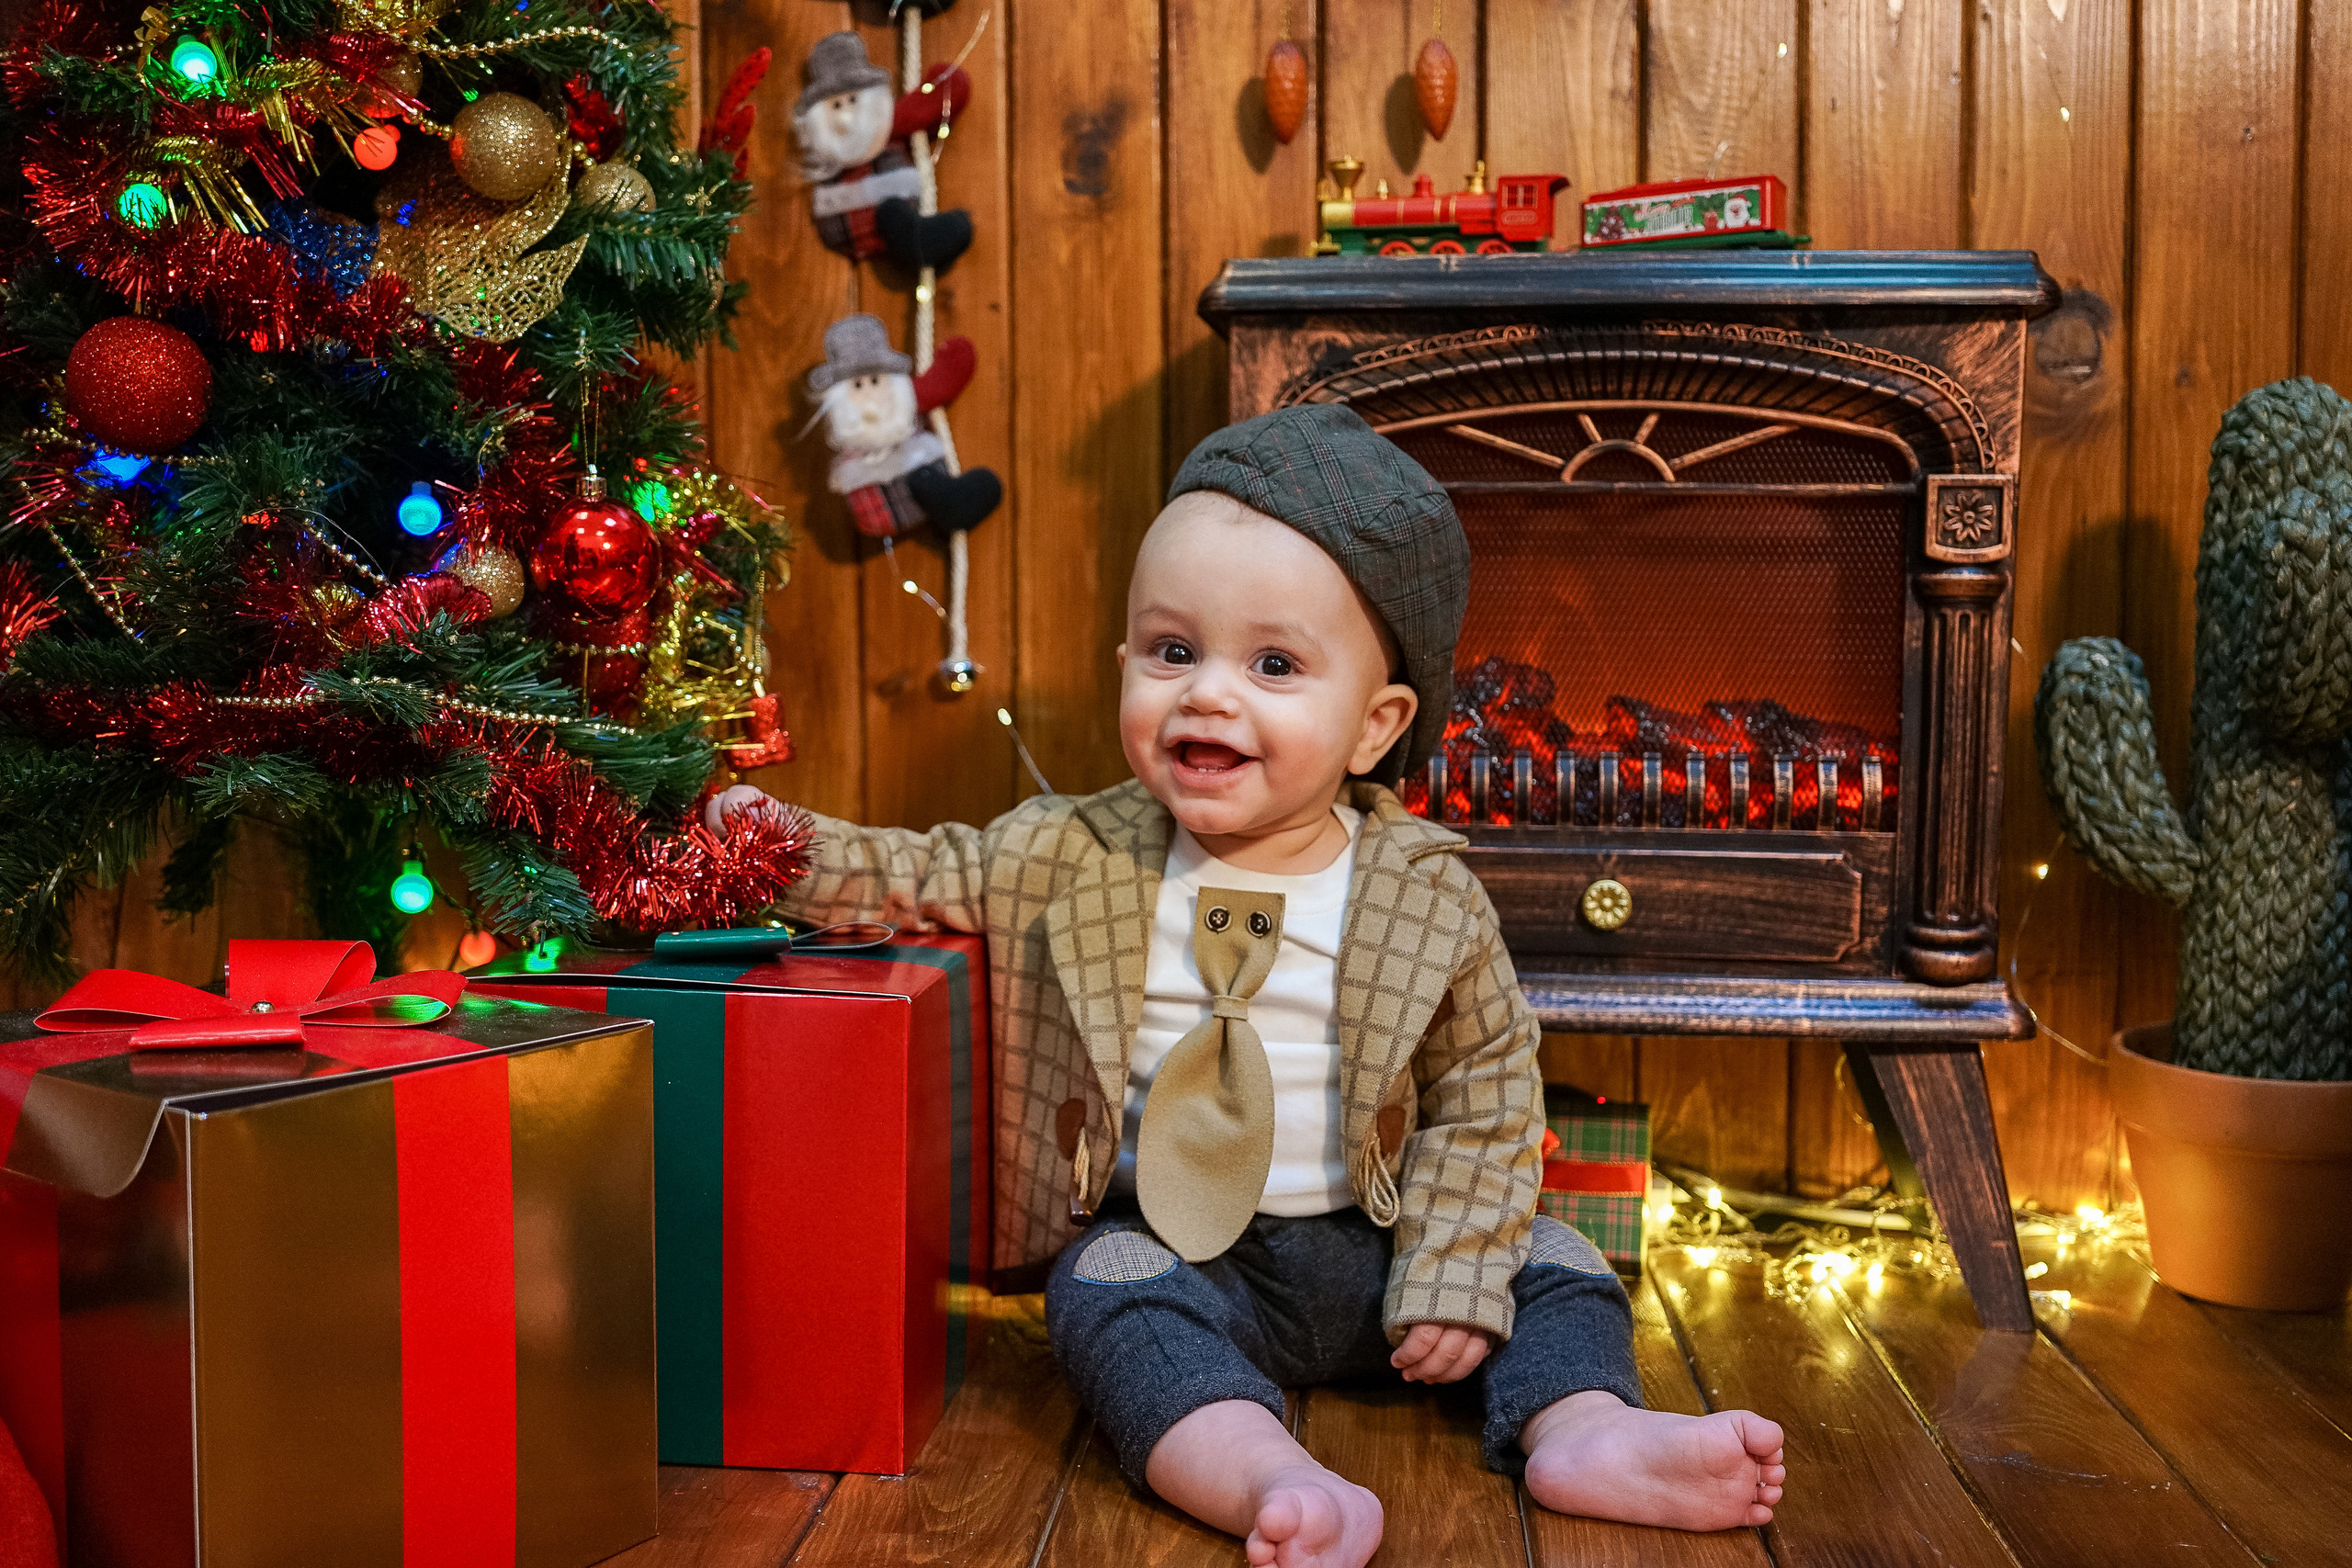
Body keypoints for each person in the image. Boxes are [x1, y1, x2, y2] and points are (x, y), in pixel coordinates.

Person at [727, 406, 1785, 1568]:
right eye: (1172, 651)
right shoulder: (1070, 852)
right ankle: (1254, 1462)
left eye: (1272, 665)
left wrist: (1452, 1269)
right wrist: (769, 839)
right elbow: (922, 873)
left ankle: (1583, 1428)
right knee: (1099, 1290)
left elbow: (1487, 1090)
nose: (1208, 695)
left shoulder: (1422, 895)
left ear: (1375, 728)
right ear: (1125, 663)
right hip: (1192, 1256)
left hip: (1383, 1245)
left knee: (1556, 1254)